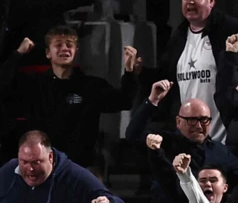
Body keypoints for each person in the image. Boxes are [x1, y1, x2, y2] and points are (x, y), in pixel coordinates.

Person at [1, 25, 138, 168]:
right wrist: (17, 54)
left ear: (75, 51)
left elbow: (124, 101)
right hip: (42, 167)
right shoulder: (34, 84)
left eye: (69, 45)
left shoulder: (91, 86)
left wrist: (129, 72)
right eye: (58, 45)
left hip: (80, 167)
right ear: (48, 53)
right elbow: (3, 87)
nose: (64, 48)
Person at [158, 0, 238, 143]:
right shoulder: (179, 36)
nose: (190, 2)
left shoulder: (233, 29)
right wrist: (138, 71)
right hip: (189, 139)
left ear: (211, 1)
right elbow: (167, 78)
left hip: (225, 135)